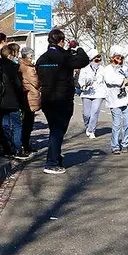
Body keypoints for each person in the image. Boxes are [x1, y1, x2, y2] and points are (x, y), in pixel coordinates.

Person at [35, 29, 89, 174]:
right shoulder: (64, 57)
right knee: (58, 131)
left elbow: (38, 75)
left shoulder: (42, 59)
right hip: (62, 98)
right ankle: (51, 163)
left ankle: (55, 156)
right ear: (61, 41)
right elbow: (84, 60)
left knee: (54, 129)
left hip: (47, 98)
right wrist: (78, 48)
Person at [0, 43, 30, 160]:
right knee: (17, 125)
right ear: (10, 55)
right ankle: (17, 149)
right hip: (13, 99)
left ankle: (7, 148)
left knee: (5, 124)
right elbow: (18, 85)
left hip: (2, 99)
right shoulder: (14, 67)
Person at [101, 48, 128, 155]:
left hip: (127, 99)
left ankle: (125, 144)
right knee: (117, 124)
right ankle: (115, 146)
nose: (120, 59)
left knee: (127, 123)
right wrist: (122, 81)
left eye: (121, 57)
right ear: (112, 58)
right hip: (114, 99)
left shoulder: (125, 68)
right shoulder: (107, 69)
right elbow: (109, 80)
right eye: (117, 57)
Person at [78, 53, 105, 139]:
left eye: (99, 58)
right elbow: (81, 80)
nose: (98, 60)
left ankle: (91, 130)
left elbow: (105, 81)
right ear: (92, 59)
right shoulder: (85, 69)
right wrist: (84, 85)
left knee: (95, 112)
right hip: (87, 93)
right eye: (96, 58)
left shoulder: (102, 69)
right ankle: (88, 126)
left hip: (99, 93)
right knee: (86, 114)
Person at [19, 47, 41, 152]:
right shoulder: (29, 68)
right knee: (28, 122)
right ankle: (26, 145)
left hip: (24, 95)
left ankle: (24, 144)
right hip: (30, 96)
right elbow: (36, 82)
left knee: (25, 121)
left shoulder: (20, 65)